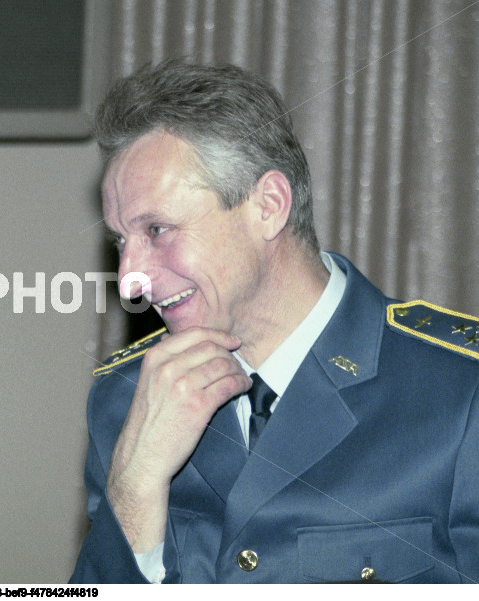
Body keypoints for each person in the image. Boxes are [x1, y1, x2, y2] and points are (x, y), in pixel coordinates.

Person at [70, 59, 479, 583]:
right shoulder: (126, 397)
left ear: (268, 205)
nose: (130, 277)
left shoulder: (457, 389)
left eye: (158, 230)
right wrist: (133, 491)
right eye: (121, 242)